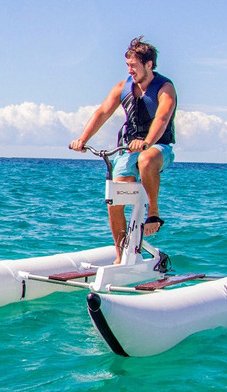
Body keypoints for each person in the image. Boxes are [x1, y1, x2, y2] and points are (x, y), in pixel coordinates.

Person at [70, 37, 177, 254]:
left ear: (149, 65)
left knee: (146, 159)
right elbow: (102, 112)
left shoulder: (165, 88)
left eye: (134, 66)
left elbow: (163, 117)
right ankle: (122, 256)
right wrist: (83, 139)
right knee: (115, 200)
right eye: (127, 65)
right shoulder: (123, 87)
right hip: (128, 150)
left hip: (158, 147)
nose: (130, 70)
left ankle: (153, 213)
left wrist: (147, 142)